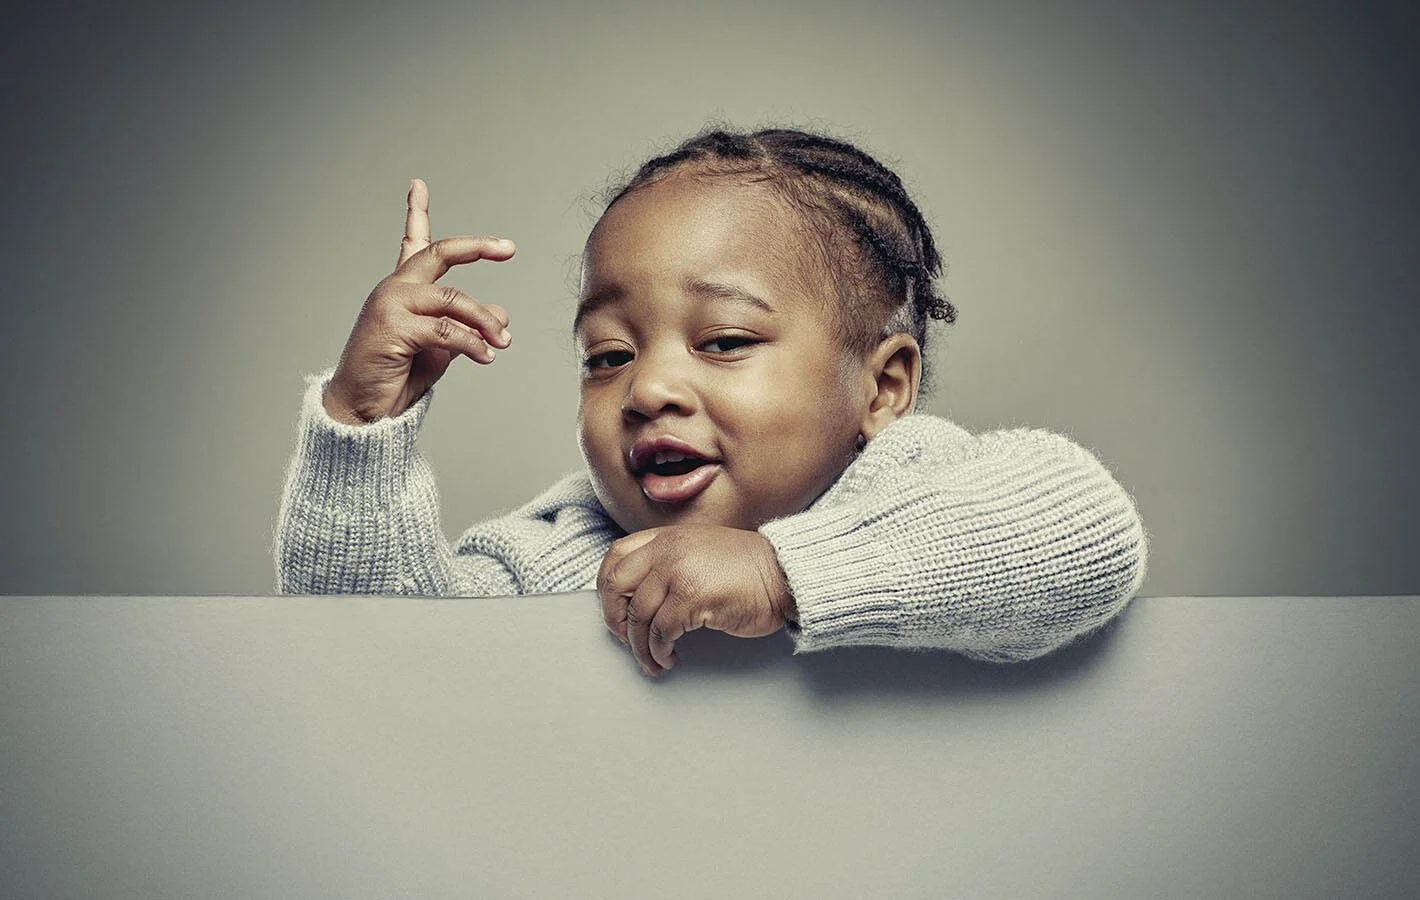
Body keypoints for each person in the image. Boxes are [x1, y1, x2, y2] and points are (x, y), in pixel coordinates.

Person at [274, 124, 1149, 677]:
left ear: (882, 389)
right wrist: (362, 424)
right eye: (607, 355)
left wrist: (780, 574)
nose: (647, 388)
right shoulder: (564, 546)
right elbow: (369, 665)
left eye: (724, 341)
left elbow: (1081, 532)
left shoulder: (914, 480)